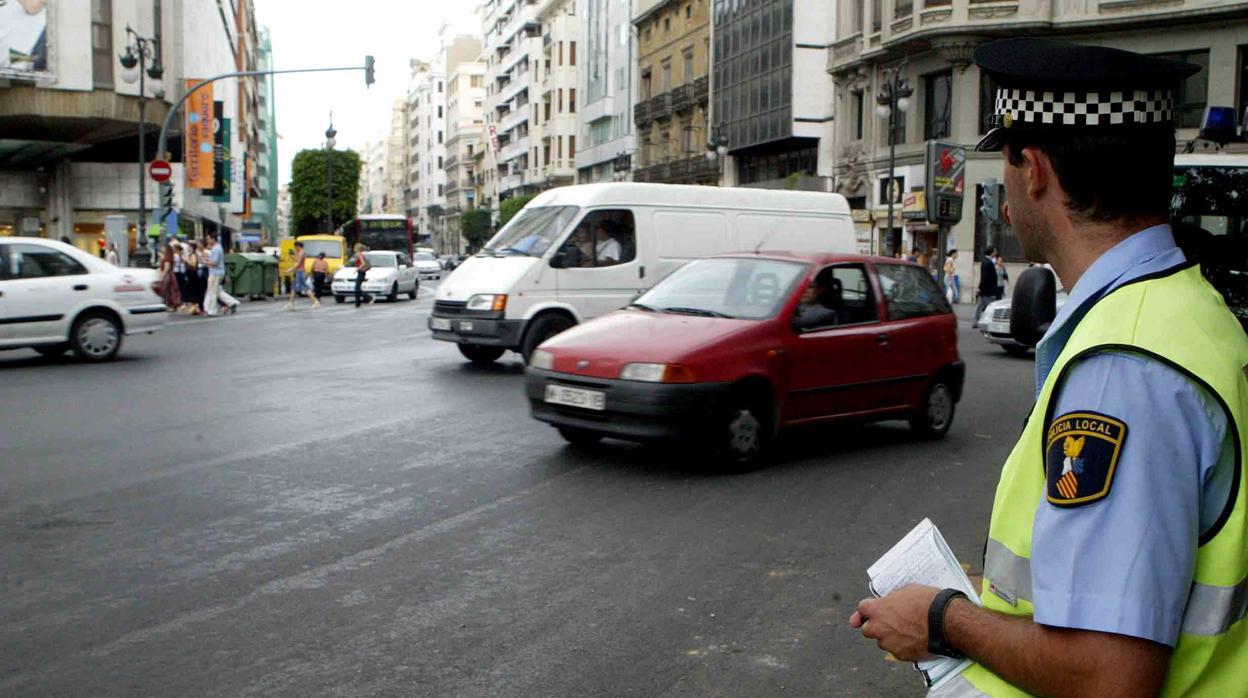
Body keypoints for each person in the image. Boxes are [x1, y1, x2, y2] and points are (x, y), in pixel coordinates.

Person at [850, 39, 1248, 697]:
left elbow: (1109, 678)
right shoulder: (1190, 310)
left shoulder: (1123, 369)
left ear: (1032, 169)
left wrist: (943, 620)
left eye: (1004, 161)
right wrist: (994, 606)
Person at [204, 232, 239, 316]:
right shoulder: (218, 247)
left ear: (213, 239)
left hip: (215, 273)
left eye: (209, 239)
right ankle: (232, 303)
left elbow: (215, 262)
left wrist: (206, 262)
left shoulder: (216, 249)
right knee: (218, 291)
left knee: (212, 292)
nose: (208, 241)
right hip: (218, 273)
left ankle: (212, 311)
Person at [285, 241, 319, 309]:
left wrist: (290, 270)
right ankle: (290, 303)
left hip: (300, 272)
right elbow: (297, 260)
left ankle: (315, 302)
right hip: (298, 272)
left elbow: (298, 264)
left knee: (305, 287)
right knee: (294, 287)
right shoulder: (300, 253)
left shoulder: (301, 253)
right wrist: (292, 256)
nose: (295, 249)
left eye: (295, 247)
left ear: (298, 246)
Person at [975, 245, 1000, 327]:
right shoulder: (987, 263)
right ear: (992, 253)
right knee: (991, 306)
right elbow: (984, 277)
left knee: (980, 306)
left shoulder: (986, 262)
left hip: (985, 289)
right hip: (988, 290)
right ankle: (989, 322)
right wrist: (980, 287)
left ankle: (976, 321)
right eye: (995, 251)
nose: (996, 253)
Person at [157, 243, 182, 310]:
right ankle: (171, 305)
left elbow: (166, 269)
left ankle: (170, 305)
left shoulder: (167, 258)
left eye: (163, 248)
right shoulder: (167, 257)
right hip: (170, 275)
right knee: (171, 290)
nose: (162, 249)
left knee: (168, 291)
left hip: (168, 276)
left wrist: (161, 277)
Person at [350, 243, 372, 308]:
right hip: (361, 272)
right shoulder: (359, 254)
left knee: (357, 289)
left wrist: (357, 269)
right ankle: (357, 303)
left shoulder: (360, 254)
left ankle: (368, 297)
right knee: (357, 288)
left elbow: (363, 263)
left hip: (361, 272)